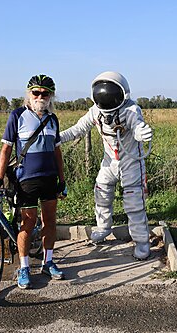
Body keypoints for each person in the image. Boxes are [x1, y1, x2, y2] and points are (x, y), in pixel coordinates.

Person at [60, 71, 153, 260]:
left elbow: (136, 126)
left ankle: (142, 242)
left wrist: (141, 133)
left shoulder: (131, 110)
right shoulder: (95, 112)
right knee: (101, 192)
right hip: (109, 161)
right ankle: (103, 227)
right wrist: (57, 138)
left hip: (131, 162)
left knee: (134, 203)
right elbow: (78, 129)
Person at [0, 74, 66, 289]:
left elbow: (57, 151)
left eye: (45, 93)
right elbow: (5, 149)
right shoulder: (17, 115)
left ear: (51, 96)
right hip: (27, 179)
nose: (40, 96)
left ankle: (48, 261)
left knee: (50, 221)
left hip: (49, 178)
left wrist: (62, 179)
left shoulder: (52, 119)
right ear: (29, 94)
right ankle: (24, 267)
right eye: (36, 92)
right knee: (28, 222)